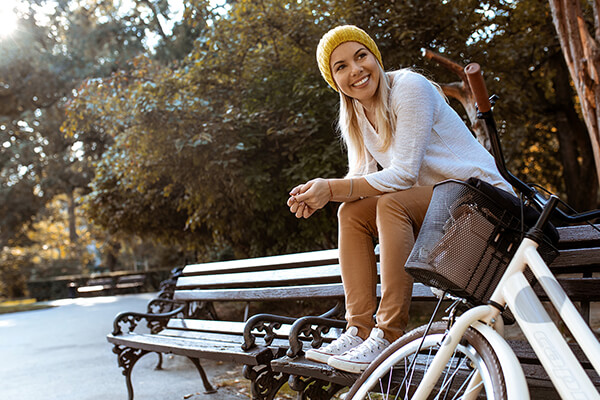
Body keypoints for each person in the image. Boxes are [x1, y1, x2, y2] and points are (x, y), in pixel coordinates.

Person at [286, 25, 512, 374]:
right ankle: (358, 329)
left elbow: (404, 174)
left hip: (482, 200)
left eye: (361, 56)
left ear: (375, 57)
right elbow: (360, 181)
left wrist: (329, 188)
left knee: (391, 203)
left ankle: (389, 332)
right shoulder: (356, 115)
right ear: (334, 80)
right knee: (351, 212)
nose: (356, 70)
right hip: (441, 207)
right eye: (341, 66)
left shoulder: (409, 86)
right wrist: (323, 196)